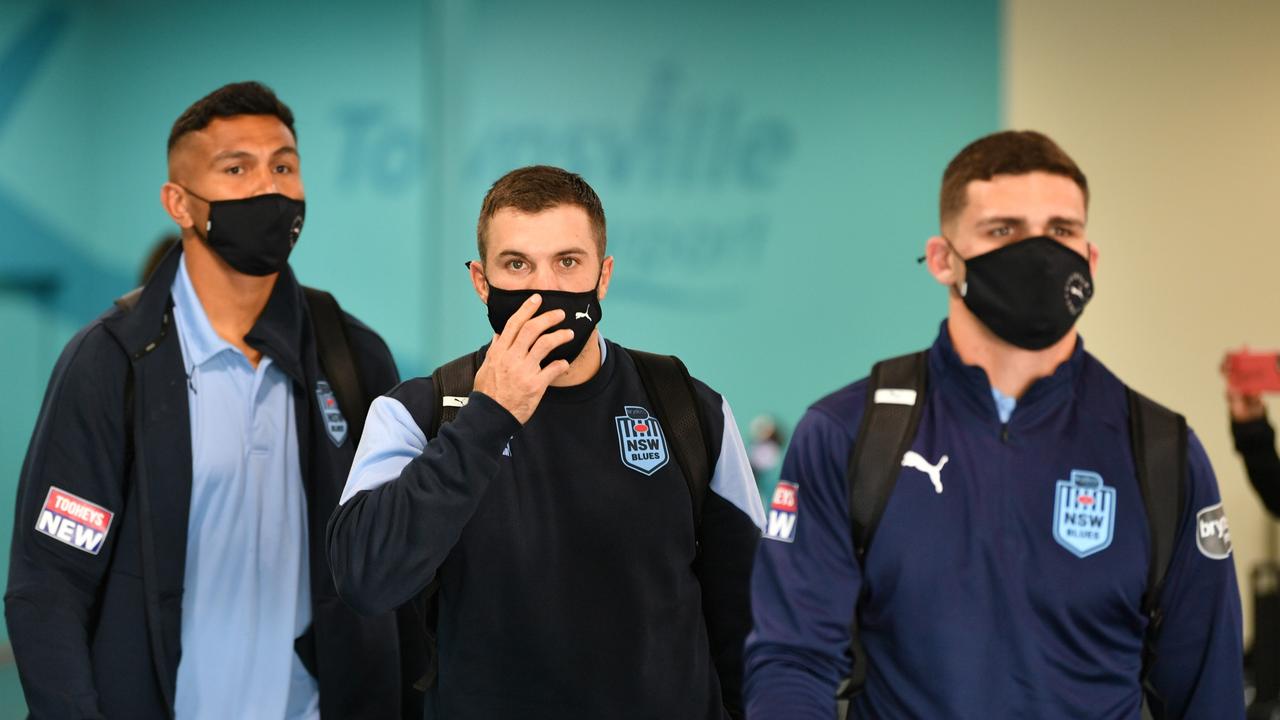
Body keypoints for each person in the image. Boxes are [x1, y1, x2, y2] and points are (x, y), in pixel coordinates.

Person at [744, 130, 1244, 718]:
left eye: (1061, 231)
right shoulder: (849, 434)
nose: (1038, 254)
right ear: (941, 259)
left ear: (1091, 259)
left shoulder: (1161, 453)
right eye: (1003, 230)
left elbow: (1208, 695)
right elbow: (793, 660)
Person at [5, 81, 407, 719]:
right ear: (180, 203)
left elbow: (400, 569)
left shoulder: (354, 359)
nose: (267, 187)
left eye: (283, 165)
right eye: (236, 168)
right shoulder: (110, 364)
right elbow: (49, 586)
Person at [327, 165, 765, 719]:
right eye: (517, 265)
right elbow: (365, 578)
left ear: (602, 276)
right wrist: (490, 418)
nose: (545, 288)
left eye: (567, 262)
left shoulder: (688, 409)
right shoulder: (416, 413)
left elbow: (752, 617)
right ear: (481, 282)